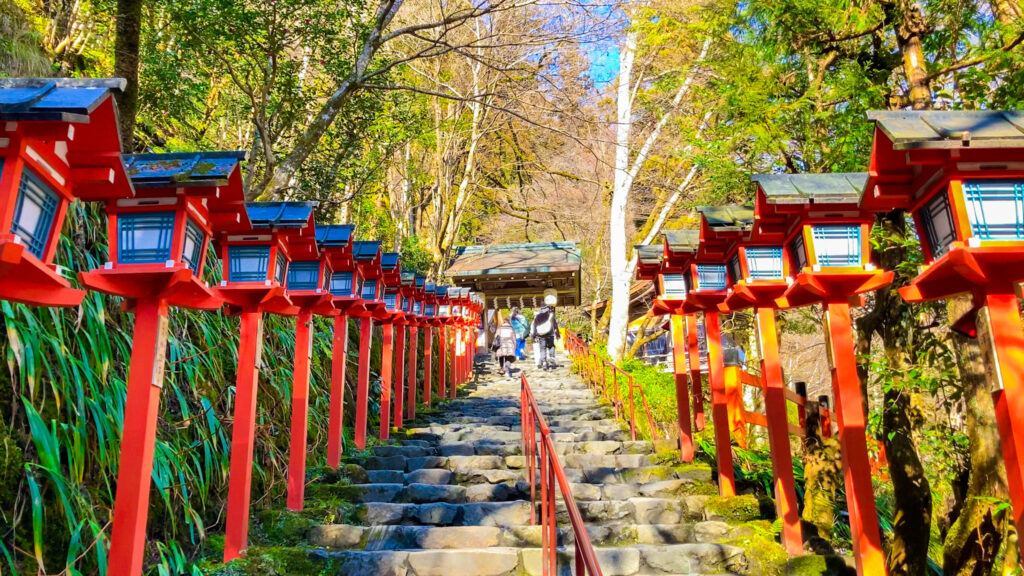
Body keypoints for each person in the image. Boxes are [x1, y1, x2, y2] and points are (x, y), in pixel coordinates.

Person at [531, 295, 561, 370]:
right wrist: (557, 334)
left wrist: (534, 336)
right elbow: (555, 325)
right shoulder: (550, 315)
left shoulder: (537, 317)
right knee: (551, 346)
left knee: (542, 348)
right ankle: (551, 357)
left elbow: (534, 326)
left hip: (541, 335)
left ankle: (544, 362)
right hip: (550, 334)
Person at [490, 312, 518, 378]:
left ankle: (502, 368)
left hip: (501, 345)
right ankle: (507, 369)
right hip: (510, 345)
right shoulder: (511, 329)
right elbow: (514, 338)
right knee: (509, 358)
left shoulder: (500, 328)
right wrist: (515, 346)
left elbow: (496, 337)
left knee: (501, 357)